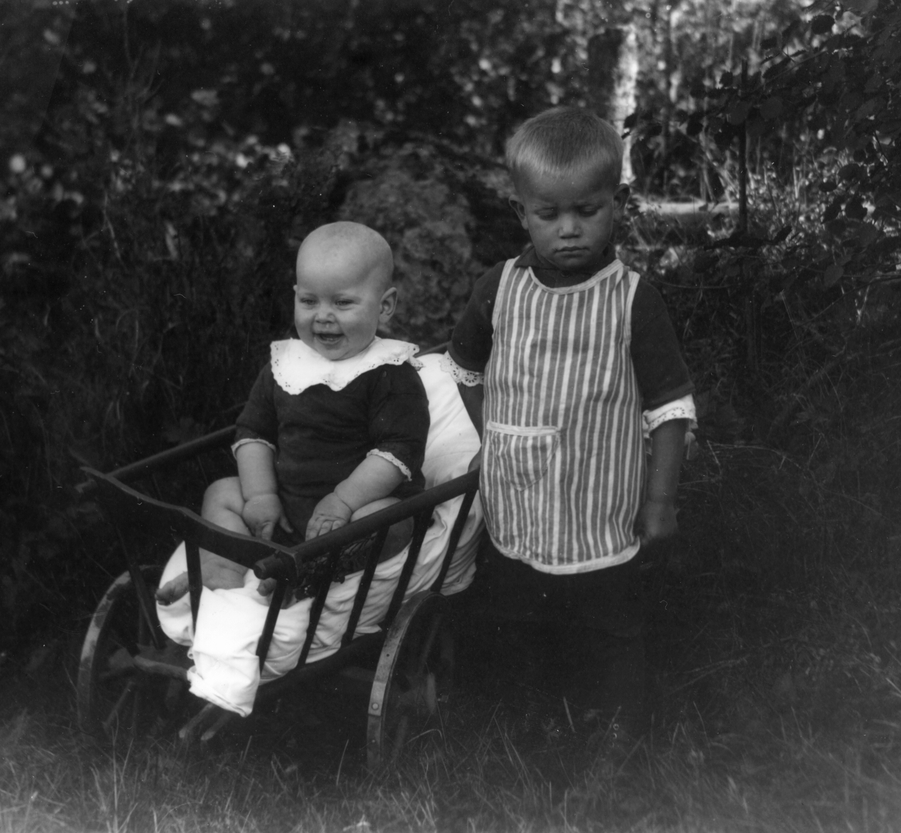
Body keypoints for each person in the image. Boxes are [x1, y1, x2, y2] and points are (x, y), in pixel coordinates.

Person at [448, 107, 695, 738]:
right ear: (520, 212)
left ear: (619, 204)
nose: (568, 231)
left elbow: (670, 408)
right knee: (518, 619)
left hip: (600, 508)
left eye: (587, 211)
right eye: (548, 214)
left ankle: (616, 735)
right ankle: (530, 726)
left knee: (611, 629)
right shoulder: (498, 289)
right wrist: (493, 437)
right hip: (518, 504)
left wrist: (659, 501)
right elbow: (466, 368)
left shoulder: (633, 300)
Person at [157, 221, 429, 604]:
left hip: (352, 511)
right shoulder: (285, 365)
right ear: (295, 296)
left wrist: (343, 501)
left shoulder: (390, 373)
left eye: (342, 303)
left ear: (384, 306)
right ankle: (222, 570)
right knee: (221, 492)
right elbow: (253, 432)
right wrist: (260, 495)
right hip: (285, 507)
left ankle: (309, 574)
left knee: (390, 521)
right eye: (309, 301)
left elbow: (398, 451)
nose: (323, 316)